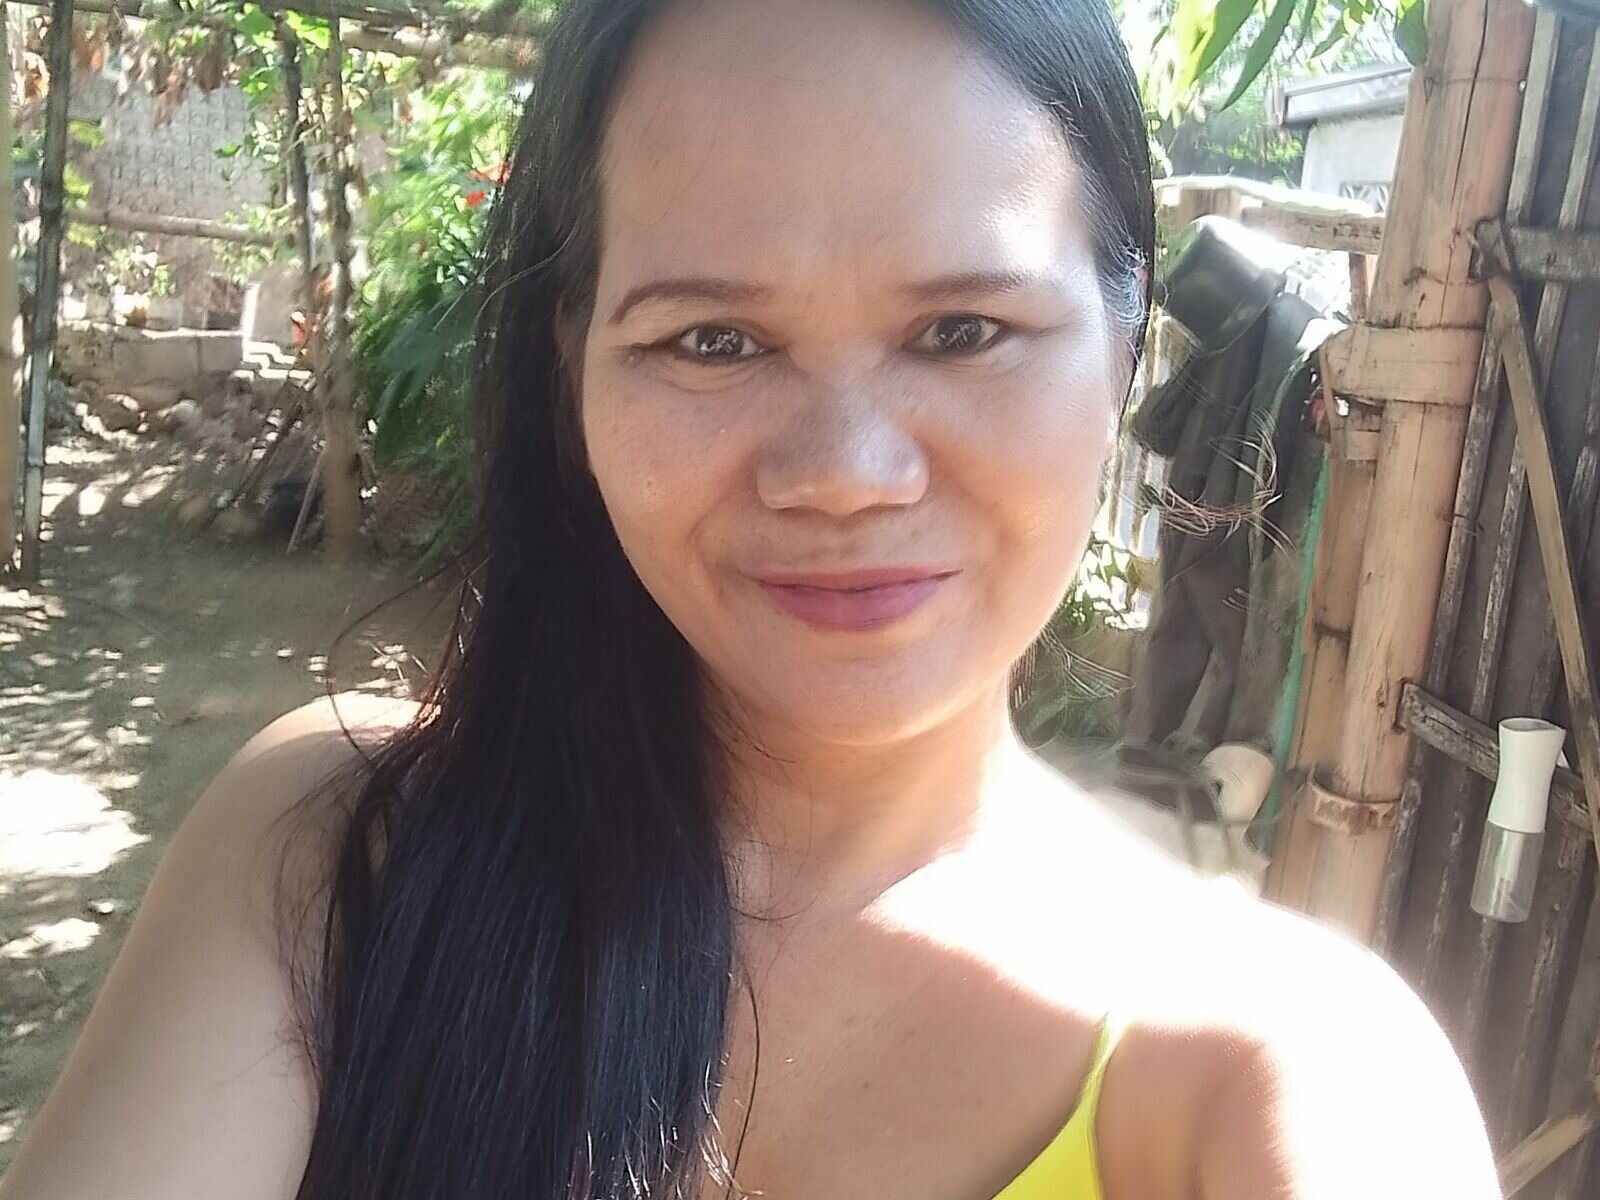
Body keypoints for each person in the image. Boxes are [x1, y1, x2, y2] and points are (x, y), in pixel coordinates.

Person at [0, 0, 1499, 1197]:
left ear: (1123, 349)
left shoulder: (1284, 1066)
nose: (843, 475)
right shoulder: (341, 861)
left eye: (962, 329)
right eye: (712, 341)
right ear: (572, 372)